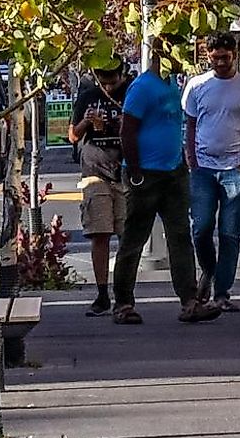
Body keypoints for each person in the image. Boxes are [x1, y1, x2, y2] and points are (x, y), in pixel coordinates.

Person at [115, 42, 216, 324]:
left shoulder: (173, 84)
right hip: (145, 173)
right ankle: (123, 303)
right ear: (162, 53)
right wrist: (134, 170)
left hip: (174, 172)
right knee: (134, 238)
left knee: (180, 236)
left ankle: (189, 300)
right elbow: (127, 130)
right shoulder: (143, 87)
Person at [183, 32, 240, 314]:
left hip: (234, 168)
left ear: (235, 54)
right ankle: (208, 268)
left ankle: (222, 292)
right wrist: (190, 157)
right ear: (208, 55)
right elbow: (190, 124)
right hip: (203, 168)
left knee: (229, 233)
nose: (220, 62)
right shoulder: (196, 86)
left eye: (225, 58)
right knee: (201, 227)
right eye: (214, 57)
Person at [70, 61, 131, 314]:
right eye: (103, 81)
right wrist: (86, 122)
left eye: (112, 81)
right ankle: (102, 293)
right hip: (95, 171)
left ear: (122, 75)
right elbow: (72, 135)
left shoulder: (130, 93)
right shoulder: (88, 96)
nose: (108, 87)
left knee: (126, 234)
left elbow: (140, 128)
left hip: (124, 170)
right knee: (100, 232)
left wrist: (121, 124)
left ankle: (124, 293)